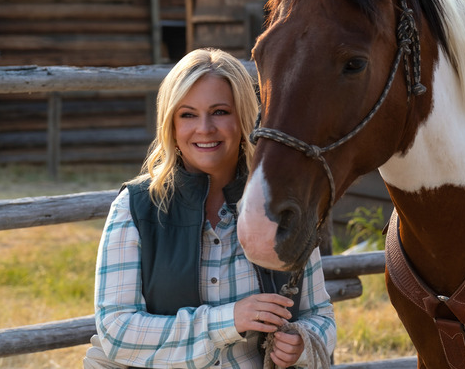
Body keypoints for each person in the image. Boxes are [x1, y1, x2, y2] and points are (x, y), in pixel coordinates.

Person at [85, 48, 336, 369]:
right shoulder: (135, 207)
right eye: (187, 114)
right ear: (171, 125)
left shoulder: (283, 205)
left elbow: (320, 315)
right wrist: (228, 320)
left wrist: (301, 343)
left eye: (220, 112)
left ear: (245, 118)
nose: (204, 128)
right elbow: (116, 330)